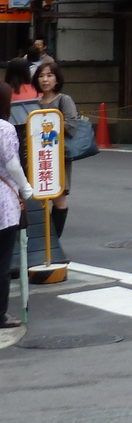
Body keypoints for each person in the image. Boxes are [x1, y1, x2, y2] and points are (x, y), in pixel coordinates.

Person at [0, 81, 37, 328]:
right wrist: (25, 187)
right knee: (2, 262)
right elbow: (12, 163)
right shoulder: (5, 128)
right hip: (3, 201)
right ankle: (0, 314)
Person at [32, 61, 76, 236]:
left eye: (49, 75)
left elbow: (72, 125)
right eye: (41, 76)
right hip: (38, 157)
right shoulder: (34, 103)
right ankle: (44, 242)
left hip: (58, 156)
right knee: (38, 199)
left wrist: (46, 124)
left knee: (59, 197)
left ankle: (54, 241)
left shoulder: (64, 100)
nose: (45, 79)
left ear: (57, 80)